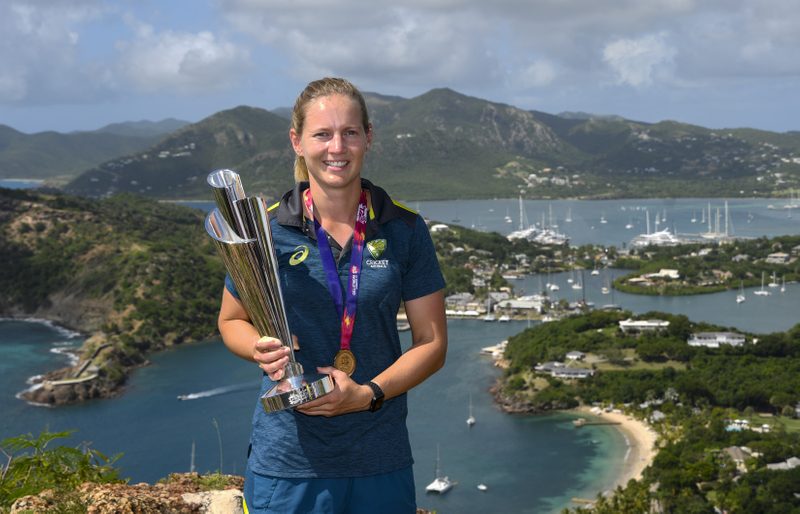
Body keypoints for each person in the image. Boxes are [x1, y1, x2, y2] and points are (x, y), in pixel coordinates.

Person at [217, 77, 448, 514]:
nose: (337, 147)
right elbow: (231, 321)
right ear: (297, 142)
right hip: (288, 461)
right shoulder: (266, 230)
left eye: (350, 132)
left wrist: (368, 393)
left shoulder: (404, 228)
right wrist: (257, 347)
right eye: (322, 134)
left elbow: (432, 343)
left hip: (379, 457)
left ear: (368, 138)